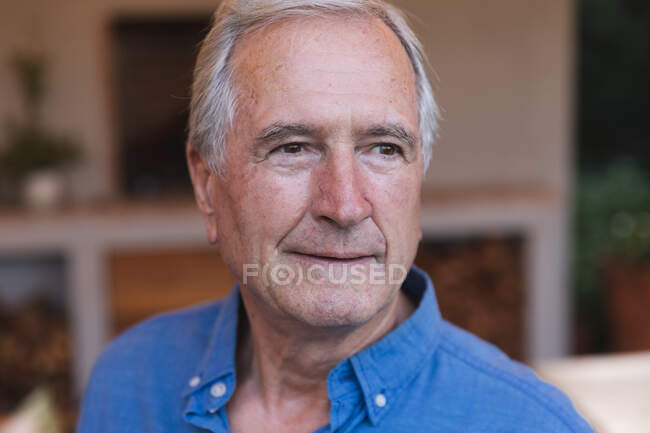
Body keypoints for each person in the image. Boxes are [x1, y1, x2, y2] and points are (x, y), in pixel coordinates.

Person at [77, 1, 594, 432]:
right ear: (206, 183)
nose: (345, 206)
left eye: (384, 149)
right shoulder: (129, 384)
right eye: (293, 148)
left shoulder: (530, 424)